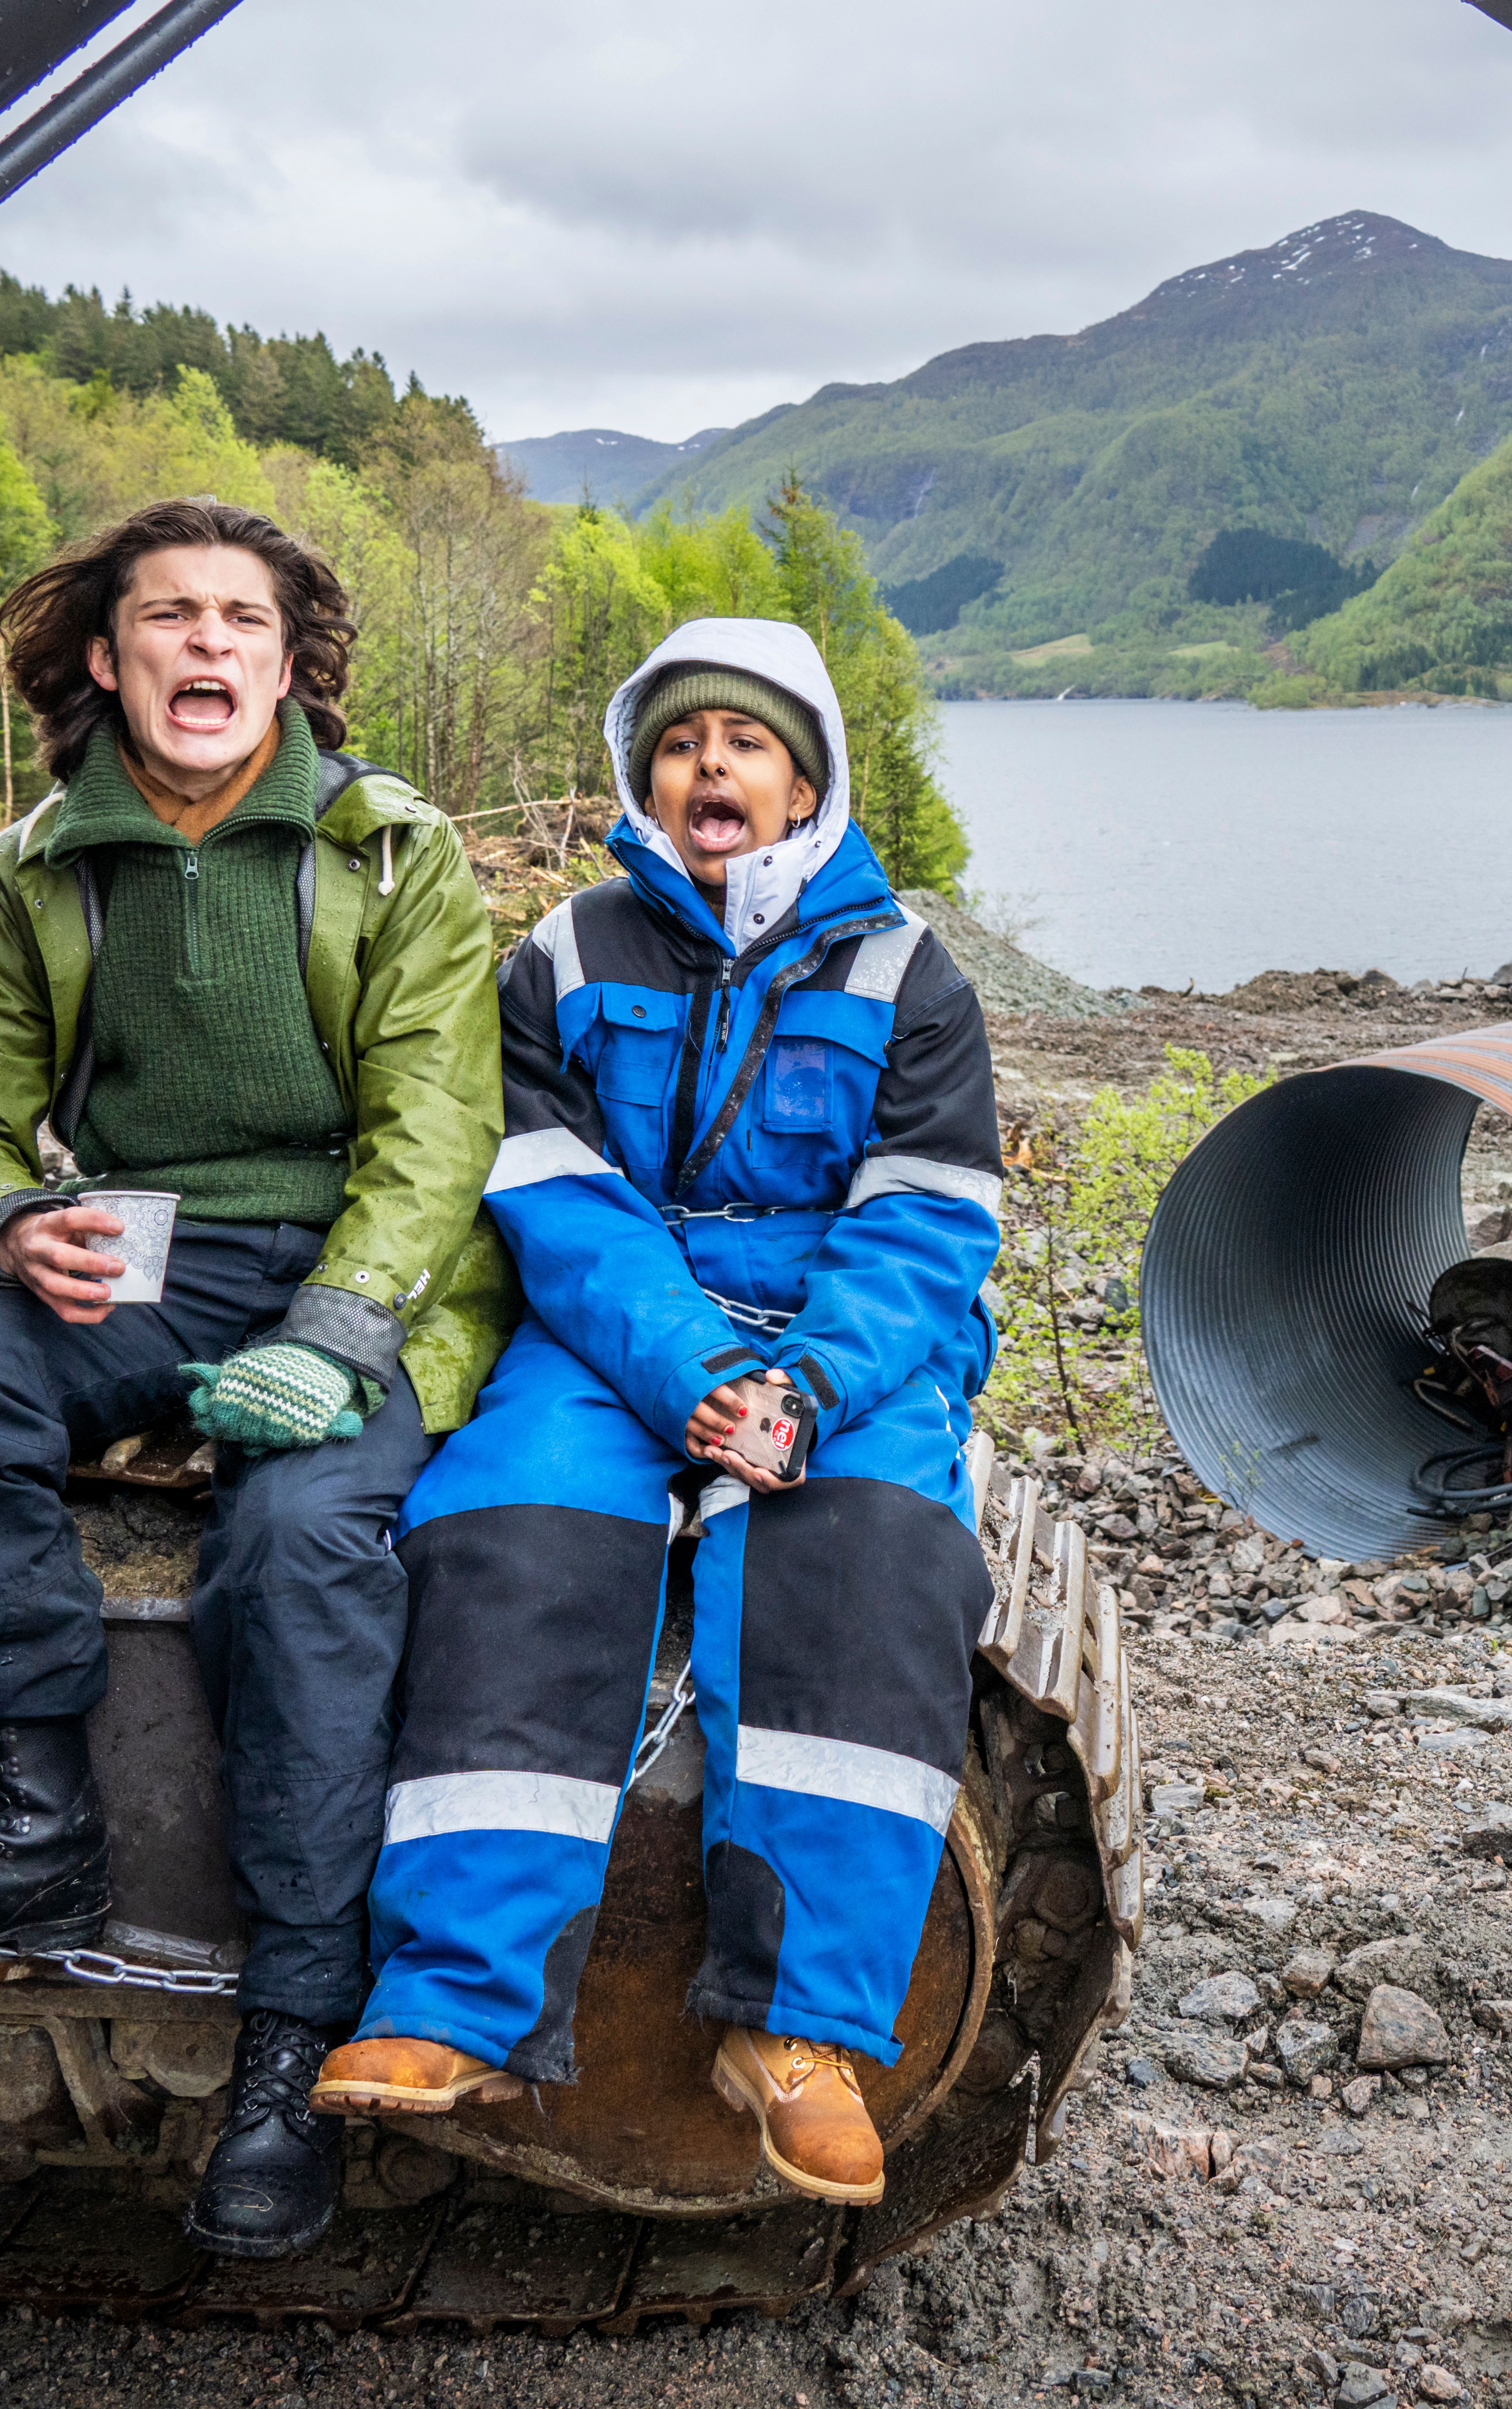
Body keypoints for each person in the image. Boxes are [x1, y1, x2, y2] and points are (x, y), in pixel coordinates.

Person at [0, 498, 508, 2258]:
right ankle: (33, 1820)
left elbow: (441, 1123)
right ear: (108, 661)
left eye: (235, 621)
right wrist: (8, 1219)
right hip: (144, 1261)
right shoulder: (36, 868)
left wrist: (342, 1328)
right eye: (166, 618)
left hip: (357, 1269)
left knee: (299, 1548)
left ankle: (295, 2019)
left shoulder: (395, 852)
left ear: (289, 662)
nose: (202, 646)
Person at [307, 618, 1003, 2206]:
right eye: (683, 740)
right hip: (625, 1328)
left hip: (850, 1347)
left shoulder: (907, 972)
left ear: (807, 776)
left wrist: (806, 1384)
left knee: (874, 1553)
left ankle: (798, 2032)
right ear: (643, 770)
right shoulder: (563, 950)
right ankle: (453, 1995)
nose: (712, 766)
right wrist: (691, 1373)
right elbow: (552, 1191)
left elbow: (924, 1221)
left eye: (747, 742)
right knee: (510, 1522)